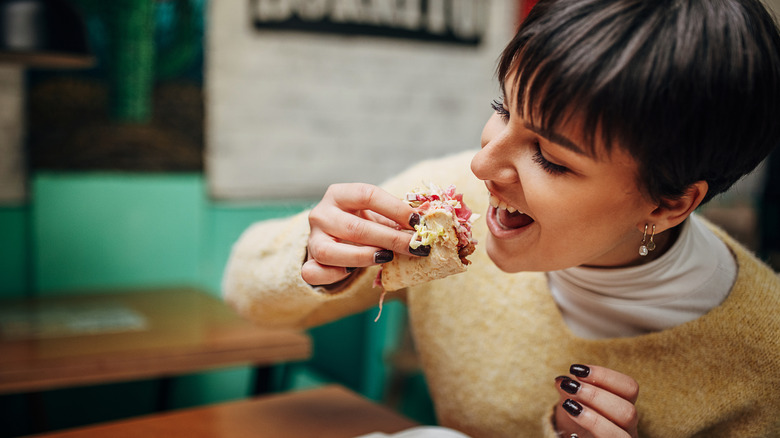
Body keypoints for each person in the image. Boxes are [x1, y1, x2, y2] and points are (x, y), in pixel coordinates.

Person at [222, 0, 780, 436]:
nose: (482, 162)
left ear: (667, 203)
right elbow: (245, 294)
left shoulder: (764, 357)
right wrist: (314, 252)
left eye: (551, 158)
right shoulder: (451, 197)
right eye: (502, 109)